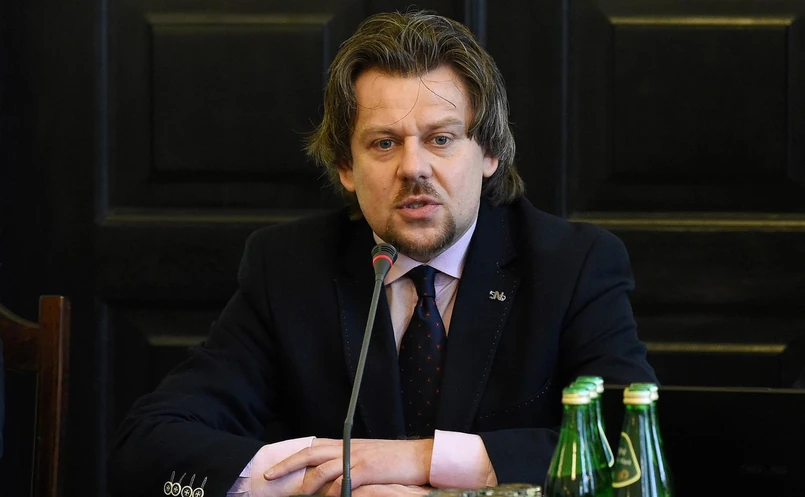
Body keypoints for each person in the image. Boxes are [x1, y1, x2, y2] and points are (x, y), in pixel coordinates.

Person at [108, 9, 658, 497]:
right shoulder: (289, 267)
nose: (413, 168)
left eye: (441, 139)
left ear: (489, 152)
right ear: (346, 167)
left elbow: (628, 446)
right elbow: (148, 445)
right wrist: (320, 483)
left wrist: (420, 460)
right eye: (384, 143)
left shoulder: (572, 264)